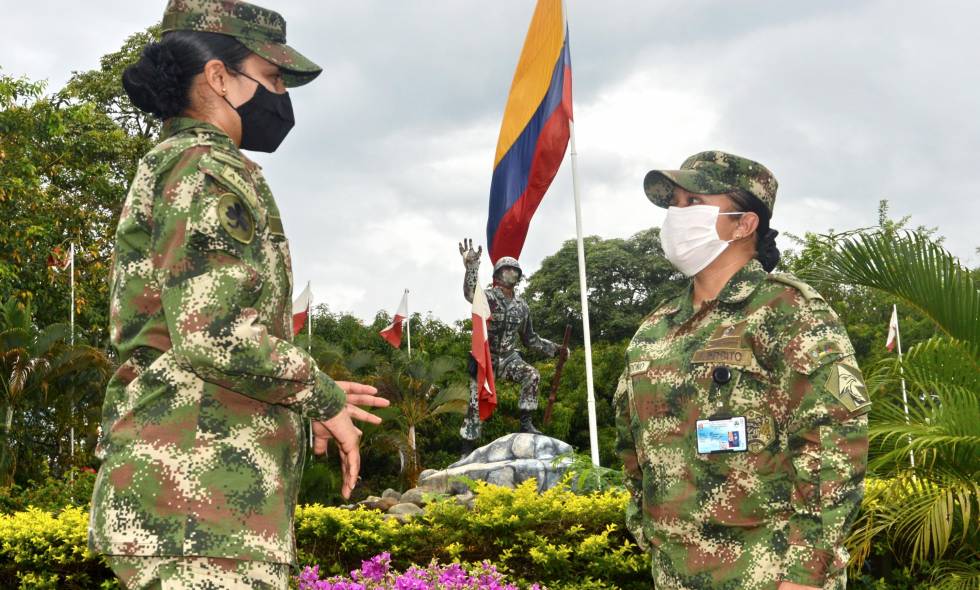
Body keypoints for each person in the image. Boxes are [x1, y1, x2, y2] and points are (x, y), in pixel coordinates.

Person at [88, 2, 388, 588]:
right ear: (220, 78)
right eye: (272, 78)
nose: (281, 96)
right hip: (198, 515)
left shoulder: (182, 165)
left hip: (198, 511)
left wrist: (299, 400)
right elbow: (216, 334)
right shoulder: (206, 169)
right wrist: (319, 395)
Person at [615, 151, 869, 590]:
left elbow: (840, 435)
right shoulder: (654, 330)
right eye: (674, 203)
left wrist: (807, 570)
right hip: (675, 573)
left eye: (693, 202)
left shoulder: (792, 312)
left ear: (743, 223)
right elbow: (631, 443)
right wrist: (645, 527)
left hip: (772, 573)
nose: (677, 215)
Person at [458, 240, 566, 450]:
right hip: (485, 359)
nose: (513, 272)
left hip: (508, 358)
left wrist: (556, 350)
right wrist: (471, 267)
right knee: (474, 405)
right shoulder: (487, 297)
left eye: (516, 270)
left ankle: (526, 424)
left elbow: (530, 339)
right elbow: (469, 293)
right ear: (498, 274)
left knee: (532, 374)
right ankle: (466, 448)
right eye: (508, 269)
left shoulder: (522, 306)